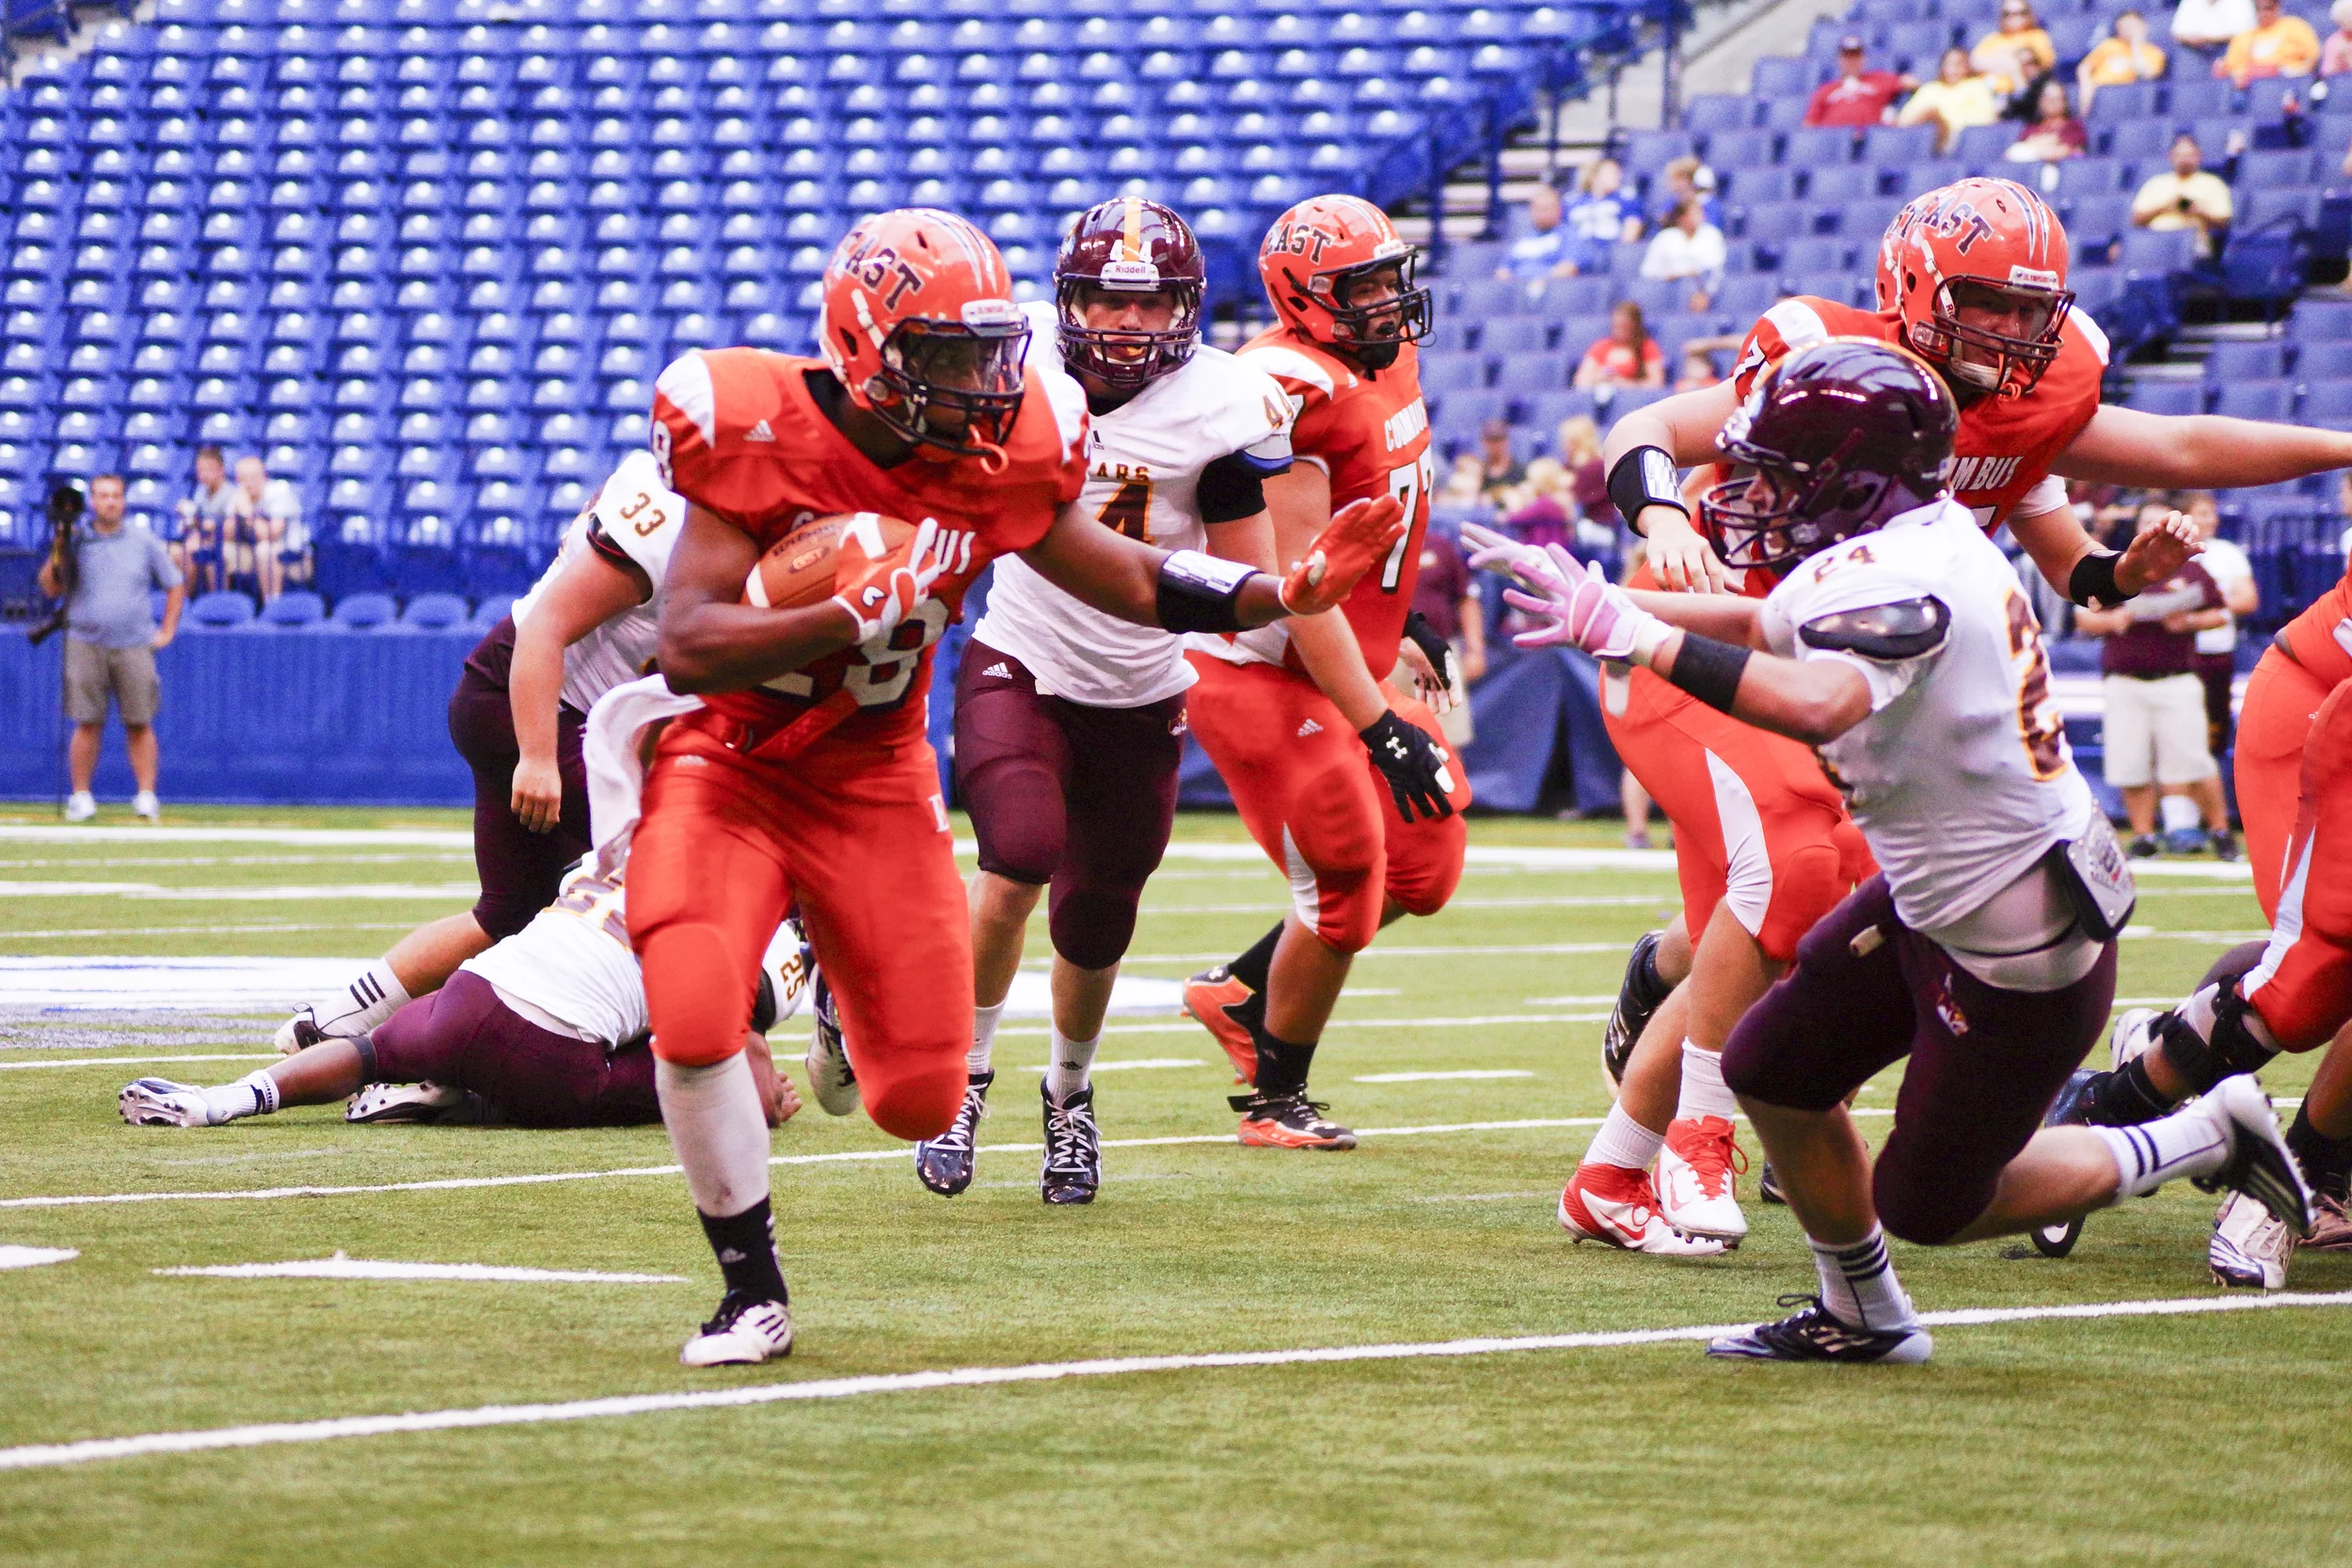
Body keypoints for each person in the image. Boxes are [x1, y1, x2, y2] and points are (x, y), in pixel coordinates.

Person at [608, 204, 1397, 1365]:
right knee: (687, 1004)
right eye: (949, 357)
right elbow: (684, 643)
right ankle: (750, 1288)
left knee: (920, 1100)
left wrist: (1277, 595)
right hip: (729, 763)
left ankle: (852, 1005)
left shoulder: (1006, 446)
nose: (984, 382)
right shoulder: (750, 420)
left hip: (874, 778)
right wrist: (849, 606)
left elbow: (1127, 573)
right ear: (868, 345)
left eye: (991, 353)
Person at [1484, 338, 2311, 1364]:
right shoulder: (1903, 540)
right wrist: (1610, 608)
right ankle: (1859, 1311)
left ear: (1855, 479)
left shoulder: (1912, 575)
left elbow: (1817, 695)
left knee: (1931, 1203)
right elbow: (1762, 617)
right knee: (1771, 1064)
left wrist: (1638, 635)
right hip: (1946, 891)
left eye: (1781, 473)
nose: (1753, 491)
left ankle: (2200, 1132)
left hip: (2014, 935)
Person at [1584, 175, 2352, 1255]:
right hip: (1719, 644)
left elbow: (2143, 479)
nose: (2014, 330)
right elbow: (1652, 423)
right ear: (1916, 285)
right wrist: (1660, 517)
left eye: (2031, 309)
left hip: (1855, 682)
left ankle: (1652, 1088)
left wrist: (2126, 563)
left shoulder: (2018, 412)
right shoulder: (1827, 360)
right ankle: (1694, 1134)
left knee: (1779, 917)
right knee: (1790, 877)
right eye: (1988, 301)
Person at [905, 198, 1296, 1204]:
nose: (1124, 327)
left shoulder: (1224, 403)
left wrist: (1303, 604)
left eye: (1150, 304)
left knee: (1096, 916)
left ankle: (1069, 1095)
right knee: (1017, 854)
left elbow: (1247, 585)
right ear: (1065, 301)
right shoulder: (1017, 358)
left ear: (1189, 308)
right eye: (1103, 303)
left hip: (1142, 686)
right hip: (1024, 655)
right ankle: (967, 1074)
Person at [1180, 194, 1470, 1151]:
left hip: (1344, 647)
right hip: (1260, 665)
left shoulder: (1385, 361)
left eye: (1391, 280)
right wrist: (1380, 727)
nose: (1387, 303)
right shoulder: (1286, 385)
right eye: (1362, 288)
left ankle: (1241, 992)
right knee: (1345, 877)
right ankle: (1273, 1095)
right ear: (1302, 298)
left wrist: (1407, 616)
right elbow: (1304, 583)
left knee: (1424, 863)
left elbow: (1376, 519)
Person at [267, 451, 691, 1056]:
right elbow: (547, 624)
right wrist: (539, 754)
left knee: (506, 914)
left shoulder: (661, 487)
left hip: (520, 696)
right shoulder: (669, 514)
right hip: (541, 703)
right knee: (666, 877)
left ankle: (334, 1025)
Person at [2053, 556, 2352, 1285]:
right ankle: (2284, 1185)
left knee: (2317, 974)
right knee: (2317, 975)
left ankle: (2149, 1065)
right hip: (2325, 711)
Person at [124, 856, 807, 1132]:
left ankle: (219, 1101)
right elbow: (735, 1046)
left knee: (366, 1050)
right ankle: (456, 1097)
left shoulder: (614, 852)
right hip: (557, 1055)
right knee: (702, 1080)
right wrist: (766, 1098)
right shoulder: (761, 924)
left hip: (473, 995)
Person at [2074, 504, 2234, 859]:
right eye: (2146, 522)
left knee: (2196, 760)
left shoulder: (2192, 570)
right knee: (2130, 763)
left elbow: (2220, 613)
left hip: (2176, 675)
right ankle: (2144, 836)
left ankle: (2221, 831)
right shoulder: (2112, 567)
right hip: (2125, 678)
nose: (2152, 528)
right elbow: (2083, 617)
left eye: (2158, 523)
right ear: (2137, 528)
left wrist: (2188, 622)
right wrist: (2114, 621)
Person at [40, 474, 183, 826]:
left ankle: (147, 796)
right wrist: (60, 542)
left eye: (116, 496)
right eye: (103, 496)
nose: (110, 502)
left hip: (133, 643)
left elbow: (175, 584)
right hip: (85, 642)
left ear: (124, 501)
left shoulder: (142, 540)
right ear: (92, 501)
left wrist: (166, 631)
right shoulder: (76, 540)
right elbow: (50, 588)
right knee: (86, 722)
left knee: (139, 722)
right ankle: (81, 796)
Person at [2180, 490, 2255, 758]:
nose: (2211, 520)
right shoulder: (2170, 555)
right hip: (2176, 657)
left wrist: (2206, 615)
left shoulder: (2228, 553)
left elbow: (2248, 599)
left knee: (2215, 727)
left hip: (2216, 651)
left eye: (2212, 514)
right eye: (2203, 514)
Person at [1409, 523, 1486, 751]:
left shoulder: (1439, 546)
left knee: (1448, 741)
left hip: (1437, 652)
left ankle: (1453, 788)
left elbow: (1466, 598)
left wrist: (1475, 649)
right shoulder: (1374, 546)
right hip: (1387, 656)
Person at [2131, 135, 2234, 259]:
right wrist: (2166, 207)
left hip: (2192, 244)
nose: (2184, 159)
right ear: (2171, 157)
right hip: (2156, 243)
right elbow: (2136, 220)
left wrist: (2198, 211)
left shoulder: (2213, 184)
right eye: (2180, 155)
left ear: (2199, 156)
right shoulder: (2155, 183)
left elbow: (2224, 222)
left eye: (2189, 155)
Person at [1899, 49, 2007, 154]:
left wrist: (1942, 119)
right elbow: (1904, 119)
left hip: (1960, 140)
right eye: (1949, 65)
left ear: (1967, 67)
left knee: (1933, 113)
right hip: (1927, 139)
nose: (1953, 70)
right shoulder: (1930, 88)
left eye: (1958, 65)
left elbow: (1986, 119)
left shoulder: (1976, 86)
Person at [230, 454, 305, 603]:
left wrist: (246, 512)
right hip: (250, 552)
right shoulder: (239, 496)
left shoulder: (279, 494)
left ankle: (271, 606)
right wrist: (234, 515)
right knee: (222, 549)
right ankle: (220, 606)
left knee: (265, 550)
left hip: (292, 557)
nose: (247, 483)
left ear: (264, 477)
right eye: (242, 478)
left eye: (252, 477)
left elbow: (271, 534)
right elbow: (227, 533)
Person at [1804, 36, 1912, 128]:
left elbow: (1911, 83)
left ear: (1863, 58)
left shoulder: (1879, 79)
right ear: (1840, 60)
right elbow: (1809, 124)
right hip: (1832, 143)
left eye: (1856, 56)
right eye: (1847, 56)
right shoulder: (1826, 90)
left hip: (1866, 139)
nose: (1852, 61)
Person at [1638, 197, 1727, 308]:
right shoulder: (1664, 237)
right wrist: (1671, 274)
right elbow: (1648, 270)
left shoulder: (1712, 234)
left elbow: (1715, 267)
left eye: (1700, 212)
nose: (1700, 217)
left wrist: (1691, 275)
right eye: (1694, 213)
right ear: (1682, 218)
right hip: (1668, 290)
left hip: (1702, 289)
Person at [173, 445, 236, 595]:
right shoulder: (201, 492)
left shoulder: (232, 493)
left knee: (197, 549)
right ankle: (182, 600)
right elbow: (196, 523)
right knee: (175, 551)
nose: (203, 475)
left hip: (228, 543)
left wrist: (200, 524)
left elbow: (226, 527)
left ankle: (216, 601)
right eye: (200, 470)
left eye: (209, 470)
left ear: (221, 470)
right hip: (203, 540)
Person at [1562, 157, 1644, 275]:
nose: (1618, 176)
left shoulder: (1625, 198)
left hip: (1608, 249)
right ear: (1594, 176)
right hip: (1577, 252)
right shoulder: (1572, 201)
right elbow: (1563, 232)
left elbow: (1631, 231)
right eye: (1611, 173)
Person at [2076, 9, 2169, 112]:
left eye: (2131, 26)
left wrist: (2136, 48)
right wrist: (2086, 84)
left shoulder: (2154, 53)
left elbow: (2148, 75)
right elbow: (2084, 67)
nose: (2127, 30)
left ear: (2143, 26)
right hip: (2099, 91)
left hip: (2127, 98)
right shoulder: (2109, 45)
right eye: (2122, 27)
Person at [2217, 0, 2320, 83]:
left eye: (2268, 8)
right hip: (2254, 87)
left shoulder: (2295, 26)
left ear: (2277, 8)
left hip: (2289, 81)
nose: (2262, 13)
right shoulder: (2243, 37)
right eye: (2258, 9)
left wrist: (2299, 78)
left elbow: (2313, 56)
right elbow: (2232, 68)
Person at [1495, 182, 1578, 282]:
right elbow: (1502, 271)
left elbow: (1568, 269)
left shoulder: (1570, 236)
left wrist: (1537, 282)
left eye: (1546, 209)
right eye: (1538, 209)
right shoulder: (1521, 239)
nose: (1542, 214)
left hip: (1552, 291)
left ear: (1559, 210)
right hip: (1518, 292)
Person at [1574, 301, 1665, 391]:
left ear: (1635, 326)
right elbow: (1581, 382)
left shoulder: (1647, 347)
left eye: (1624, 327)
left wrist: (1623, 384)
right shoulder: (1600, 347)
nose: (1619, 331)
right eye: (1616, 326)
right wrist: (1599, 378)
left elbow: (1656, 384)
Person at [1972, 0, 2057, 92]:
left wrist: (2001, 60)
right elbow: (1976, 62)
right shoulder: (1993, 39)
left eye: (2020, 13)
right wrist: (2010, 63)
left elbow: (2044, 63)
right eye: (2007, 14)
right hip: (1992, 93)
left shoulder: (2038, 36)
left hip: (2026, 94)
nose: (2013, 17)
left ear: (2029, 14)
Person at [2004, 81, 2088, 162]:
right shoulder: (2032, 128)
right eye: (2048, 98)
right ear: (2041, 102)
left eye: (2057, 98)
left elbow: (2066, 152)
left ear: (2064, 103)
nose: (2052, 102)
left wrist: (2036, 145)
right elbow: (2013, 153)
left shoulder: (2072, 126)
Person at [1648, 156, 1724, 233]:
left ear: (1687, 180)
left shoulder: (1710, 205)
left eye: (1675, 179)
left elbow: (1710, 232)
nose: (1670, 184)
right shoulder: (1672, 202)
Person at [2173, 0, 2257, 56]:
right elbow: (2177, 31)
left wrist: (2209, 39)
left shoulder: (2241, 2)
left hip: (2228, 48)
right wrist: (2192, 40)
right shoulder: (2190, 2)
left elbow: (2246, 32)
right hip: (2196, 50)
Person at [1478, 416, 1525, 501]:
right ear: (1484, 442)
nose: (1495, 445)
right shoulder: (1479, 471)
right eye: (1490, 440)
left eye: (1499, 440)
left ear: (1506, 441)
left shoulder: (1519, 471)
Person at [2324, 0, 2352, 74]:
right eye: (2347, 16)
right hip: (2342, 81)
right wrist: (2340, 59)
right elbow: (2327, 73)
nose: (2349, 19)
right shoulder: (2334, 42)